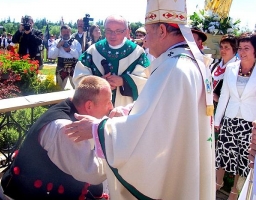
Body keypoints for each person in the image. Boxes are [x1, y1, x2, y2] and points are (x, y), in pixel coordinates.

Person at [65, 0, 215, 199]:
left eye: (148, 32)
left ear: (161, 30)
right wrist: (129, 111)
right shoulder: (188, 62)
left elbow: (149, 132)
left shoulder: (173, 68)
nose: (145, 41)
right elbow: (164, 113)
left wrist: (97, 129)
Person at [0, 75, 113, 200]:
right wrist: (110, 138)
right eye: (108, 102)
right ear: (89, 106)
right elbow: (93, 173)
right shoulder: (66, 128)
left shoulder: (71, 105)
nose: (111, 107)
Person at [73, 15, 150, 107]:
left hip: (126, 109)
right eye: (109, 31)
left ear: (126, 31)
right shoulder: (93, 51)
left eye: (118, 31)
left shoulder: (137, 52)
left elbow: (147, 80)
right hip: (97, 109)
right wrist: (98, 83)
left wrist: (124, 81)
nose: (113, 35)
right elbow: (78, 78)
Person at [214, 32, 256, 200]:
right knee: (224, 154)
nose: (242, 51)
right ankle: (217, 184)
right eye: (240, 48)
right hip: (230, 119)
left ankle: (235, 191)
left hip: (249, 122)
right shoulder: (231, 67)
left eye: (247, 48)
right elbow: (224, 95)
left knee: (244, 161)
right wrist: (218, 120)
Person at [49, 25, 82, 90]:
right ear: (61, 32)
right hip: (61, 68)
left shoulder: (75, 43)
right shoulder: (56, 42)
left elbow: (79, 56)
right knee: (59, 89)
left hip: (73, 68)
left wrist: (70, 50)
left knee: (77, 89)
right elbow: (51, 56)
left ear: (70, 32)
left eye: (67, 31)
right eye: (64, 32)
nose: (66, 33)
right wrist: (58, 46)